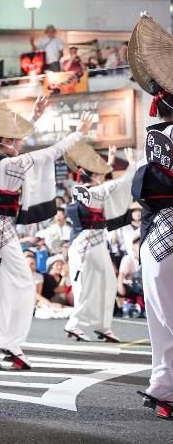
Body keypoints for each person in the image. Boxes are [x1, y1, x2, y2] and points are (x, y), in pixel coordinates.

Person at [0, 83, 91, 371]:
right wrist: (78, 134)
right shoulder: (15, 164)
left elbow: (16, 140)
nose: (21, 143)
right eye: (16, 140)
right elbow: (52, 152)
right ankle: (2, 343)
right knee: (20, 286)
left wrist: (34, 117)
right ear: (6, 141)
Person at [127, 14, 173, 418]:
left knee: (161, 320)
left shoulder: (154, 138)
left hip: (155, 238)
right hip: (165, 234)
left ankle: (163, 386)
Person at [63, 142, 137, 342]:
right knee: (87, 286)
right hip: (86, 244)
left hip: (91, 243)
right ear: (92, 175)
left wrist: (110, 162)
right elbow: (122, 183)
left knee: (108, 282)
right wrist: (131, 164)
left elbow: (104, 182)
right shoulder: (95, 192)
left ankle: (103, 326)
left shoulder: (83, 190)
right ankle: (75, 324)